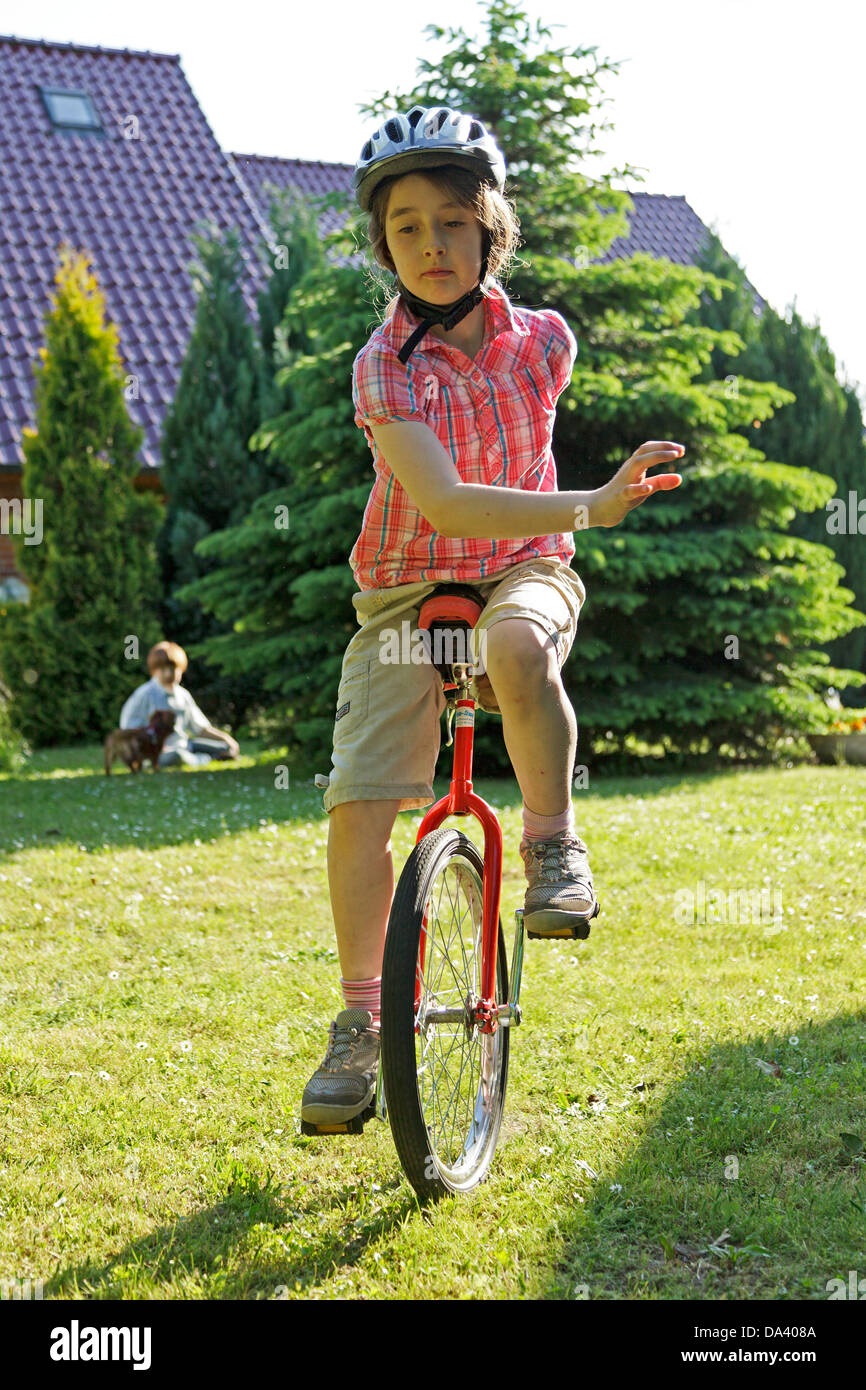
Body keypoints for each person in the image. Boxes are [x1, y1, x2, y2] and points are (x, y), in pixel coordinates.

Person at [301, 105, 684, 1129]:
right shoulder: (383, 368)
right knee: (359, 801)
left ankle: (553, 845)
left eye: (453, 223)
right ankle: (357, 1017)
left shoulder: (543, 342)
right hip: (403, 587)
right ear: (382, 245)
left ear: (491, 229)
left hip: (523, 568)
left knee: (517, 644)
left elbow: (500, 516)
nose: (430, 245)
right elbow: (445, 505)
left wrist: (565, 526)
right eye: (406, 227)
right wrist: (590, 505)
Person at [119, 642, 240, 768]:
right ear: (153, 671)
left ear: (181, 669)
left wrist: (227, 739)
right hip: (158, 752)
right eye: (163, 669)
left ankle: (205, 757)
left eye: (173, 668)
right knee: (176, 755)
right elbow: (127, 731)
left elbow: (200, 728)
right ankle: (202, 759)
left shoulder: (182, 695)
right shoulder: (144, 695)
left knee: (226, 747)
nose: (168, 674)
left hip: (185, 745)